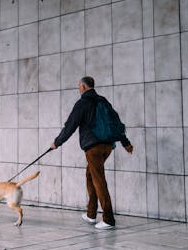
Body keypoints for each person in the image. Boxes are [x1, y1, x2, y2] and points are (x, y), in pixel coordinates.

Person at [50, 76, 133, 230]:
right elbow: (115, 123)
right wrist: (125, 142)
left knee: (98, 180)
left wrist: (57, 142)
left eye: (79, 86)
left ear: (83, 87)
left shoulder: (82, 103)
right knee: (90, 176)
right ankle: (91, 214)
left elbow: (70, 126)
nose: (78, 89)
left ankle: (108, 219)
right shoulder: (103, 100)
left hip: (93, 147)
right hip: (107, 146)